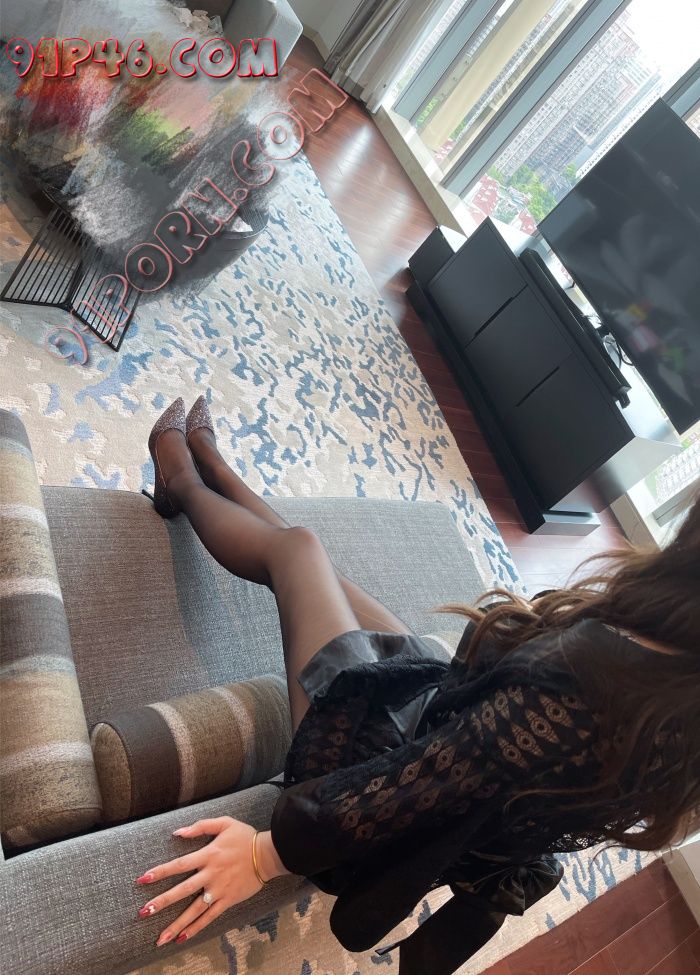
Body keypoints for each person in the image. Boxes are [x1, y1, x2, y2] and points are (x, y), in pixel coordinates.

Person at [134, 396, 699, 974]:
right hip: (443, 735)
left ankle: (182, 480)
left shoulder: (579, 695)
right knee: (321, 570)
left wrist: (263, 857)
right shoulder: (678, 695)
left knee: (298, 551)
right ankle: (217, 470)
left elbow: (402, 794)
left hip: (376, 788)